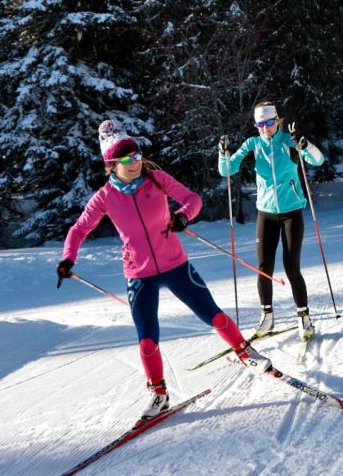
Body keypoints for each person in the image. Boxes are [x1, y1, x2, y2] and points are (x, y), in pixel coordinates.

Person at [57, 120, 270, 423]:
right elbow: (78, 230)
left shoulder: (156, 179)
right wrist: (68, 259)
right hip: (138, 274)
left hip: (175, 264)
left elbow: (193, 199)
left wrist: (183, 216)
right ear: (111, 164)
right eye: (127, 159)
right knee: (147, 339)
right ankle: (159, 393)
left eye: (137, 155)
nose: (135, 163)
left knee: (214, 315)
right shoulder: (105, 197)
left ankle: (245, 352)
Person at [218, 101, 326, 340]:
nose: (265, 128)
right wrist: (222, 153)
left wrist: (304, 144)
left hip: (291, 212)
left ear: (278, 121)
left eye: (269, 122)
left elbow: (318, 160)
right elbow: (227, 170)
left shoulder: (288, 141)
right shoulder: (253, 143)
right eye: (260, 124)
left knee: (291, 265)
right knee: (264, 268)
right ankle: (267, 316)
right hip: (266, 213)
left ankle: (304, 317)